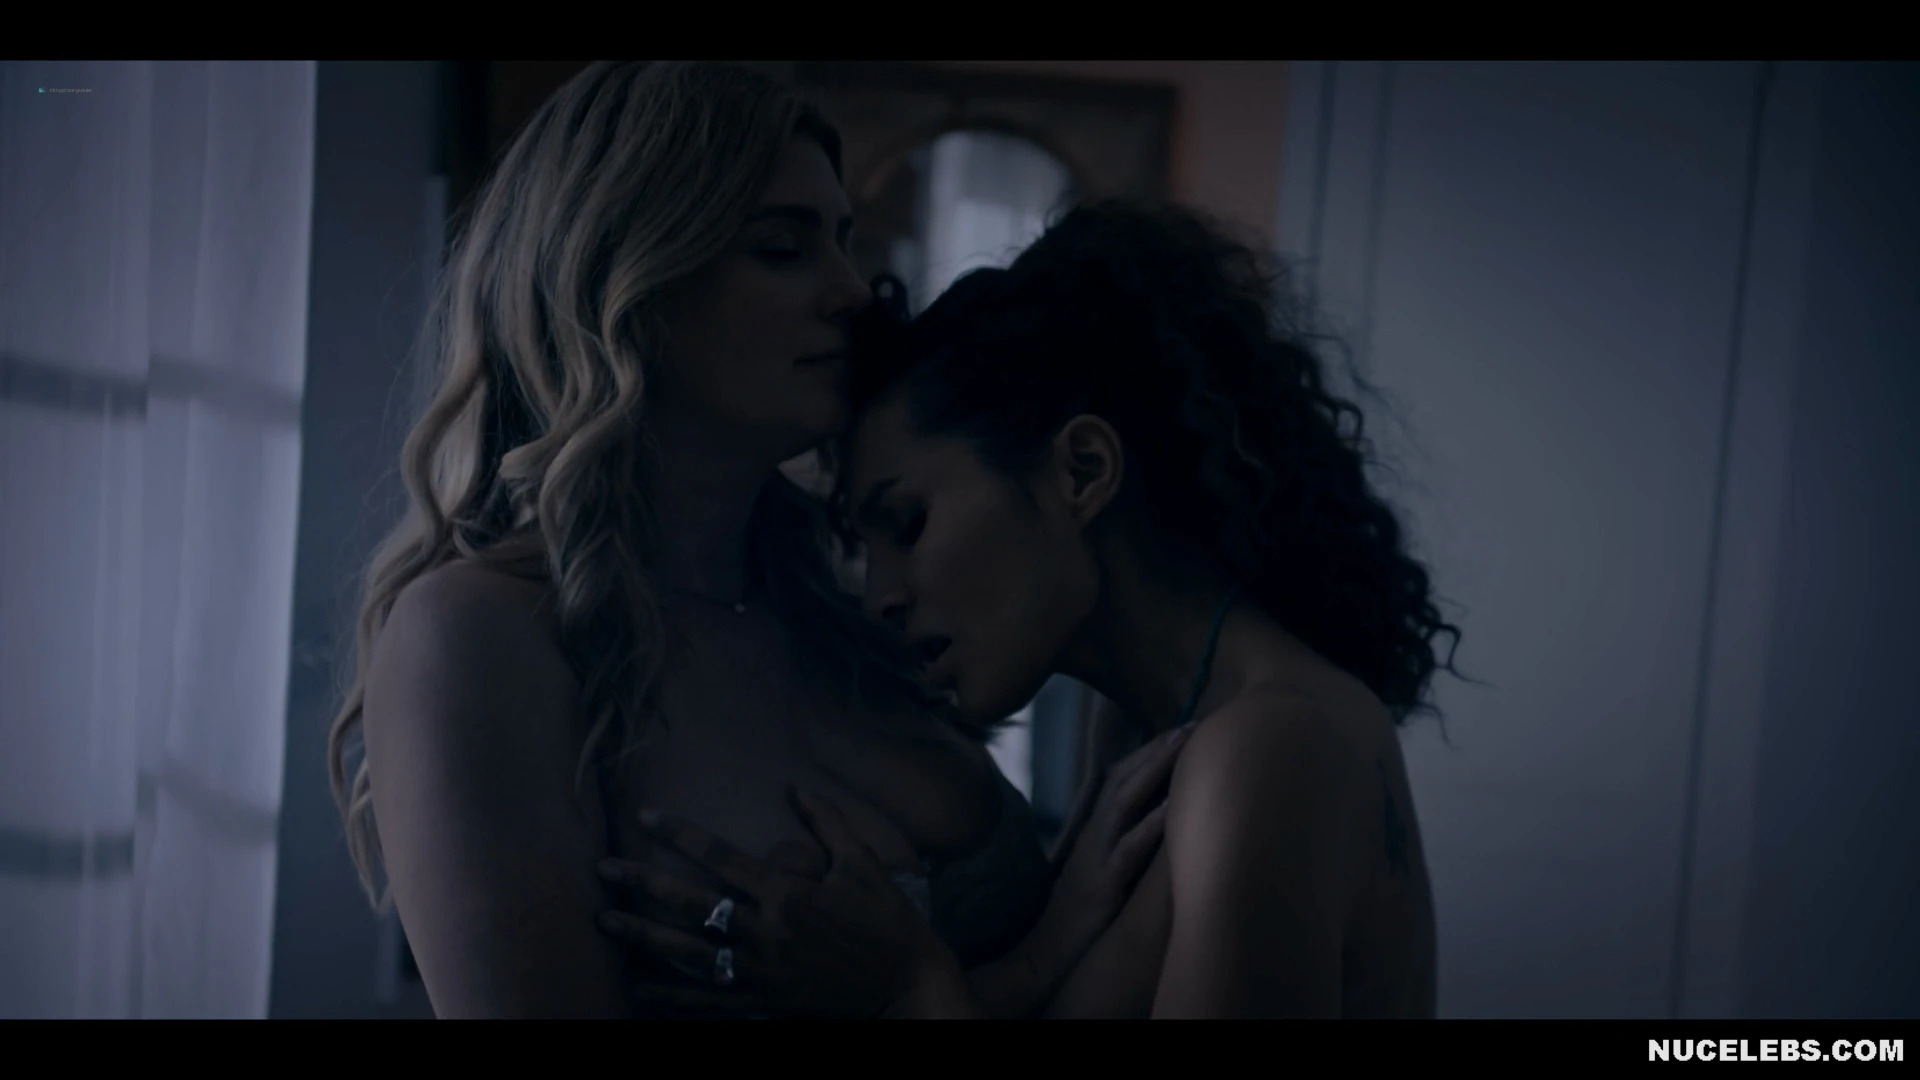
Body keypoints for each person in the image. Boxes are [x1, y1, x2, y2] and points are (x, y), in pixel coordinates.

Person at [327, 61, 1168, 1019]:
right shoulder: (482, 635)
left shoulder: (850, 606)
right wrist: (968, 984)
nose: (852, 291)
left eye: (843, 241)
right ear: (626, 279)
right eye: (782, 249)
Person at [597, 199, 1462, 1018]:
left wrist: (908, 990)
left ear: (1081, 471)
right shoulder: (1144, 727)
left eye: (909, 524)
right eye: (865, 547)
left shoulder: (1269, 745)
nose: (881, 595)